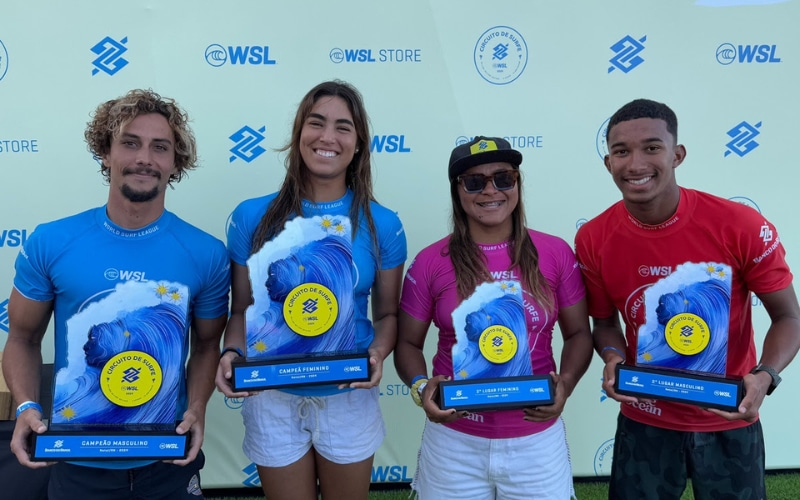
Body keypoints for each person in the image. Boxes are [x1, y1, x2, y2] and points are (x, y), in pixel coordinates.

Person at [2, 89, 231, 499]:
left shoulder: (206, 253)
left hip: (167, 460)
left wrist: (196, 408)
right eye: (130, 142)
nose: (144, 157)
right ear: (105, 153)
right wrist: (25, 407)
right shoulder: (52, 241)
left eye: (160, 147)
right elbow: (22, 338)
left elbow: (208, 344)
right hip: (76, 461)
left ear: (174, 162)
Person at [574, 98, 800, 500]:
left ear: (677, 154)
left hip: (727, 417)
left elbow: (789, 318)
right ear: (607, 163)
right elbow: (605, 324)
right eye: (621, 152)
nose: (636, 163)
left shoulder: (740, 225)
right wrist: (613, 359)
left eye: (652, 148)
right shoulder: (593, 237)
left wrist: (764, 377)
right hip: (644, 418)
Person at [215, 80, 407, 500]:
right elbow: (241, 309)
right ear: (299, 132)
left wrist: (376, 354)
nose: (327, 137)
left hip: (347, 395)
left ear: (358, 144)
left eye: (343, 127)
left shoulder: (382, 223)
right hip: (271, 395)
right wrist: (231, 354)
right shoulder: (252, 217)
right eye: (316, 123)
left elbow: (388, 316)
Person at [395, 136, 593, 499]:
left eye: (503, 177)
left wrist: (564, 383)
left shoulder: (555, 252)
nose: (491, 190)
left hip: (536, 441)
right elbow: (407, 343)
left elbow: (580, 333)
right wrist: (422, 388)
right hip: (454, 440)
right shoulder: (429, 261)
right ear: (458, 191)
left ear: (517, 183)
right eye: (474, 181)